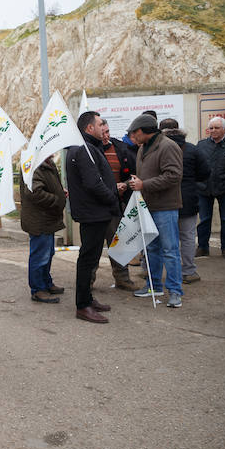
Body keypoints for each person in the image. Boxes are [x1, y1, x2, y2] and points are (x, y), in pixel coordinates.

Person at [65, 111, 120, 324]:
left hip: (95, 212)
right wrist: (112, 197)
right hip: (93, 213)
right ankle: (83, 305)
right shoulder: (83, 149)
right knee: (87, 260)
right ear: (89, 128)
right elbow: (93, 183)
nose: (102, 127)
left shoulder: (86, 147)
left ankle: (87, 298)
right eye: (99, 124)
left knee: (91, 258)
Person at [127, 113, 184, 307]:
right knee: (152, 249)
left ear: (143, 132)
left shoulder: (168, 146)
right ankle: (154, 286)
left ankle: (175, 291)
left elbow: (174, 176)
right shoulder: (143, 147)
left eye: (134, 134)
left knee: (170, 250)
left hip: (165, 208)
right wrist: (135, 182)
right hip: (148, 207)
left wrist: (144, 184)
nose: (132, 137)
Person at [160, 120, 210, 284]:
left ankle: (154, 272)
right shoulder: (193, 149)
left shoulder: (158, 149)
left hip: (163, 200)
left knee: (162, 239)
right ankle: (188, 271)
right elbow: (205, 172)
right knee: (188, 237)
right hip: (188, 199)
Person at [19, 154, 67, 304]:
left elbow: (47, 185)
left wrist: (59, 192)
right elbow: (34, 192)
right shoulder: (33, 165)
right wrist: (57, 199)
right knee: (40, 256)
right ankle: (38, 290)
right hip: (39, 220)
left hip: (46, 219)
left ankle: (46, 283)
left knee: (48, 253)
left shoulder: (46, 162)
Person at [96, 119, 138, 291]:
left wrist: (125, 185)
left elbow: (131, 174)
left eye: (108, 132)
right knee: (93, 246)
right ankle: (88, 280)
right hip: (95, 205)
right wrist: (113, 188)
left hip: (116, 204)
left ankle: (122, 278)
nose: (106, 136)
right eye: (102, 132)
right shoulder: (89, 151)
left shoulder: (120, 148)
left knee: (117, 243)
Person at [195, 117, 225, 259]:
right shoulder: (201, 145)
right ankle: (203, 247)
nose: (213, 131)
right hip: (204, 189)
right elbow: (197, 165)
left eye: (216, 128)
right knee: (204, 219)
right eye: (211, 128)